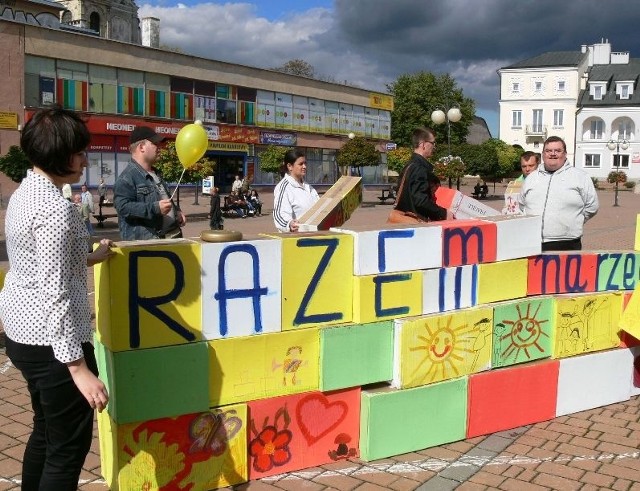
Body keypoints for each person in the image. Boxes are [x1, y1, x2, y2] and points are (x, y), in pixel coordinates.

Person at [0, 106, 114, 490]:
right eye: (80, 152)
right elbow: (57, 293)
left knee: (45, 431)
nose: (85, 160)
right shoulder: (54, 209)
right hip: (52, 344)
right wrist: (78, 368)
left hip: (22, 334)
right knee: (66, 450)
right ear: (59, 154)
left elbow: (39, 257)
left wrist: (89, 255)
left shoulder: (24, 191)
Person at [519, 136, 599, 251]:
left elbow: (592, 206)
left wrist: (574, 221)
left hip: (567, 242)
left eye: (557, 150)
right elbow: (522, 205)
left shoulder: (580, 177)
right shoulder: (531, 178)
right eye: (548, 151)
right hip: (533, 241)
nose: (553, 154)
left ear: (565, 154)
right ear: (543, 154)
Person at [114, 126, 186, 240]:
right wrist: (155, 208)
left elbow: (164, 199)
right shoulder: (127, 177)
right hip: (150, 245)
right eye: (155, 144)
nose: (159, 147)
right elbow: (123, 207)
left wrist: (176, 210)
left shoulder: (156, 173)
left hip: (172, 237)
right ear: (141, 147)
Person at [394, 127, 447, 221]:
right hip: (417, 222)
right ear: (423, 144)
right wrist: (443, 213)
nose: (434, 147)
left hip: (405, 219)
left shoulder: (409, 165)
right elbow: (420, 200)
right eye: (433, 143)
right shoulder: (419, 168)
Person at [273, 148, 319, 232]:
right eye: (301, 164)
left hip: (313, 236)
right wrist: (289, 224)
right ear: (290, 166)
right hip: (295, 240)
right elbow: (279, 215)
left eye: (305, 163)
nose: (304, 166)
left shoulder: (309, 188)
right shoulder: (284, 187)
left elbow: (319, 209)